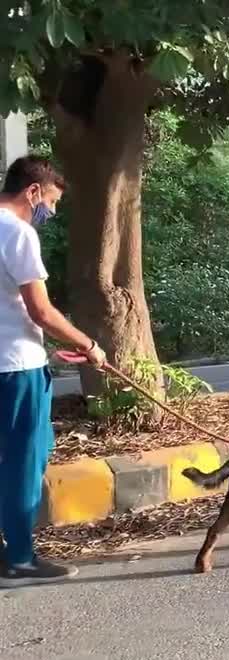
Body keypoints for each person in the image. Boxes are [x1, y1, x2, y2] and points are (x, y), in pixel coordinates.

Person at [0, 156, 105, 587]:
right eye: (53, 201)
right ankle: (20, 559)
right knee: (26, 460)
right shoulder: (17, 233)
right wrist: (87, 344)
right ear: (33, 192)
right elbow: (40, 311)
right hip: (16, 366)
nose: (52, 212)